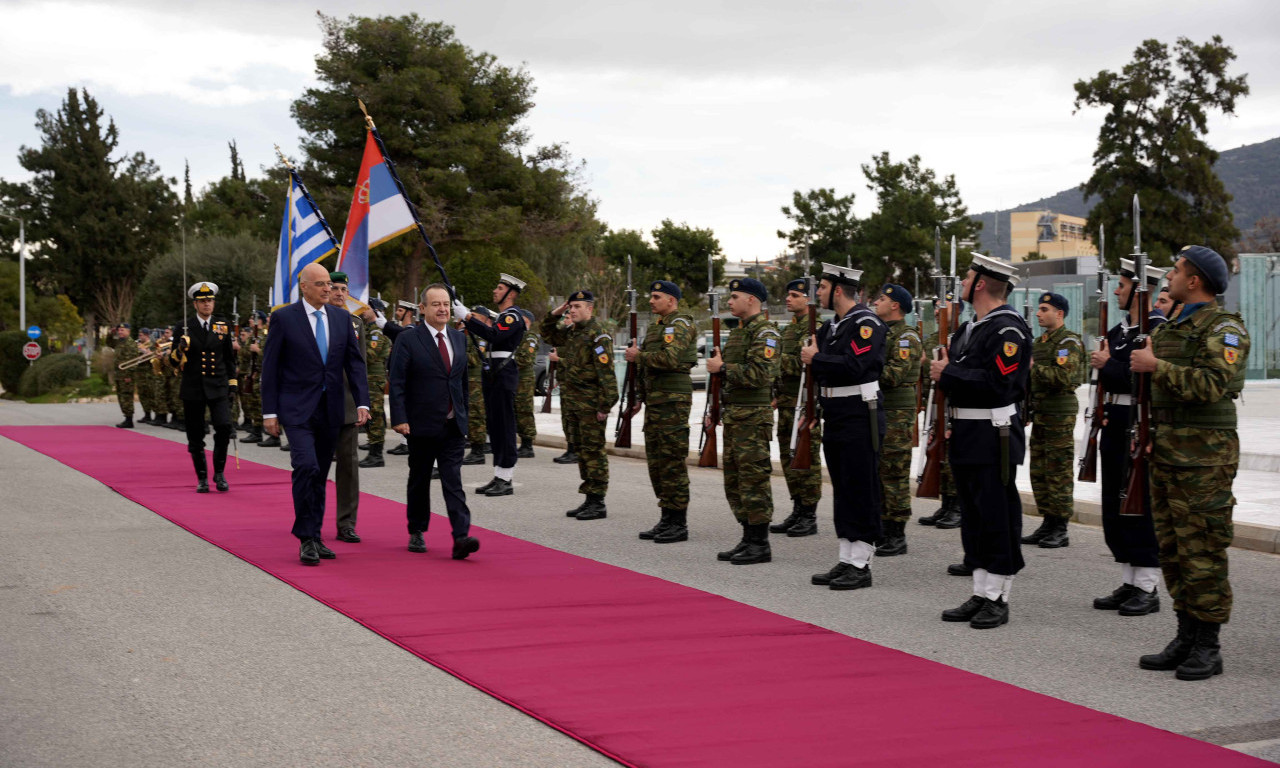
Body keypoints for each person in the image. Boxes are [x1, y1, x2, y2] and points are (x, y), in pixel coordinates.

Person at [1131, 245, 1249, 681]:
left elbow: (1214, 384)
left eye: (1177, 271)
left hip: (1205, 458)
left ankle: (1208, 644)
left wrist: (1156, 365)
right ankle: (1185, 634)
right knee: (1174, 549)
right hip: (1166, 450)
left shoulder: (1224, 329)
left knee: (1203, 549)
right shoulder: (1171, 326)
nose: (1170, 277)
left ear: (1195, 280)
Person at [930, 254, 1031, 629]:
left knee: (996, 516)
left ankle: (999, 596)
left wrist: (949, 372)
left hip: (994, 434)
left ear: (982, 284)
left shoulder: (1008, 329)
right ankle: (981, 590)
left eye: (968, 276)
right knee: (973, 516)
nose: (963, 282)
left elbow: (1001, 384)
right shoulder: (971, 328)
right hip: (969, 432)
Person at [260, 263, 370, 566]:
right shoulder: (284, 318)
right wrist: (269, 412)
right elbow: (270, 368)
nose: (328, 289)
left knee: (320, 474)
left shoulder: (341, 318)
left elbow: (354, 362)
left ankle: (316, 535)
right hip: (296, 409)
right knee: (306, 467)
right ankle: (306, 537)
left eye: (329, 284)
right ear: (304, 287)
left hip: (331, 407)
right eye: (321, 284)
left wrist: (363, 402)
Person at [1089, 259, 1168, 616]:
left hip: (1139, 419)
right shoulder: (1121, 331)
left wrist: (1109, 366)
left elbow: (1146, 379)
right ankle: (1129, 579)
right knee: (1114, 503)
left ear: (1139, 289)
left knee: (1139, 503)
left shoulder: (1157, 328)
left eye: (1121, 285)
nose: (1117, 291)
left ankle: (1148, 585)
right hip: (1115, 420)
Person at [800, 265, 885, 588]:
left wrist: (817, 359)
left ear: (838, 290)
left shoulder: (866, 323)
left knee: (861, 486)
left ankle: (861, 564)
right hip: (835, 410)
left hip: (860, 411)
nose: (817, 293)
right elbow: (823, 368)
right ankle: (846, 557)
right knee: (843, 486)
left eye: (821, 287)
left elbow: (856, 365)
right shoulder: (831, 326)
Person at [389, 284, 480, 560]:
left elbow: (461, 381)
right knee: (419, 479)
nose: (443, 309)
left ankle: (461, 536)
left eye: (446, 304)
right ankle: (416, 530)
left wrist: (464, 415)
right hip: (420, 424)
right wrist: (400, 418)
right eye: (436, 304)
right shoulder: (408, 339)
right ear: (423, 308)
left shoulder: (458, 338)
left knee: (453, 481)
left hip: (452, 425)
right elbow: (397, 381)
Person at [711, 277, 782, 565]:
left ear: (751, 299)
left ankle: (760, 543)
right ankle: (748, 536)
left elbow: (761, 374)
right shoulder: (739, 332)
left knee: (754, 480)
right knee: (735, 481)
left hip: (753, 417)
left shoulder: (766, 333)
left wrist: (724, 367)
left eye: (735, 296)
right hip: (735, 414)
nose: (729, 301)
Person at [628, 280, 697, 543]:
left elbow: (670, 359)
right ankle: (666, 517)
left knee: (672, 463)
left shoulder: (680, 324)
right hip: (656, 401)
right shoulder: (658, 327)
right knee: (657, 463)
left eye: (656, 297)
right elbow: (645, 366)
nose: (651, 301)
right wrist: (638, 397)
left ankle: (678, 522)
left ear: (671, 300)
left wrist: (639, 356)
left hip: (673, 401)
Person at [539, 290, 618, 519]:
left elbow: (605, 375)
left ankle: (598, 501)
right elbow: (547, 334)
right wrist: (556, 312)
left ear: (590, 309)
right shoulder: (571, 332)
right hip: (572, 403)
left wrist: (604, 406)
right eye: (570, 306)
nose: (572, 310)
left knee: (594, 453)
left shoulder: (598, 336)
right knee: (581, 451)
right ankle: (589, 497)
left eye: (577, 307)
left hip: (590, 404)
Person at [1021, 292, 1085, 548]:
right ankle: (1048, 521)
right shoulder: (1041, 342)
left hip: (1059, 414)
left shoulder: (1069, 342)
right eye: (1039, 309)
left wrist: (1032, 367)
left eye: (1044, 309)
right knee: (1040, 470)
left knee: (1058, 470)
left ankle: (1060, 526)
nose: (1038, 313)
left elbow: (1064, 378)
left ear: (1059, 313)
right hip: (1041, 413)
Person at [458, 274, 528, 495]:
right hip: (494, 374)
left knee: (505, 426)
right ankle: (498, 474)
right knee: (495, 426)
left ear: (511, 294)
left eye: (499, 288)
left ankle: (506, 478)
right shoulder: (503, 316)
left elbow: (495, 336)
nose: (494, 291)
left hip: (504, 374)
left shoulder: (513, 316)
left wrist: (468, 317)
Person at [169, 282, 238, 493]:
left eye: (210, 300)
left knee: (224, 427)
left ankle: (219, 473)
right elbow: (173, 362)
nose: (207, 304)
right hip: (194, 387)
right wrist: (180, 348)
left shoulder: (222, 325)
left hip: (217, 385)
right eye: (202, 301)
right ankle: (202, 477)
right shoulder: (184, 327)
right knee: (196, 435)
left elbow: (229, 358)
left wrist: (232, 383)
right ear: (195, 304)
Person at [771, 278, 823, 538]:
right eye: (788, 294)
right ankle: (797, 508)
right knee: (788, 457)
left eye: (794, 295)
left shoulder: (817, 328)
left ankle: (809, 514)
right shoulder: (789, 329)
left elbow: (810, 366)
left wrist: (775, 361)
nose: (788, 299)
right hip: (786, 401)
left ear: (807, 299)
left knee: (806, 459)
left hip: (804, 404)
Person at [873, 283, 923, 557]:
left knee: (894, 473)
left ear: (895, 306)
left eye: (881, 299)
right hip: (879, 410)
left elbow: (893, 375)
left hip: (896, 413)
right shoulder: (882, 333)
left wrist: (863, 370)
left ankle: (896, 533)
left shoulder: (906, 338)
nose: (876, 302)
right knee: (879, 472)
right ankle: (882, 526)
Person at [326, 272, 369, 543]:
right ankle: (309, 519)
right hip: (318, 404)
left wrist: (362, 402)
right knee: (313, 467)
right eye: (334, 288)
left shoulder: (355, 323)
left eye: (343, 289)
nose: (340, 293)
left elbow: (360, 366)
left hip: (346, 405)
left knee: (348, 467)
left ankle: (347, 523)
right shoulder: (314, 321)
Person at [918, 297, 963, 531]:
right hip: (934, 402)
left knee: (952, 454)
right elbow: (925, 373)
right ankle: (946, 504)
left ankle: (957, 507)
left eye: (942, 306)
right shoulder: (931, 340)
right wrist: (924, 399)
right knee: (938, 453)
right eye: (935, 307)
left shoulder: (962, 338)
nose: (937, 310)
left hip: (953, 401)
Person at [359, 303, 392, 469]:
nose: (363, 310)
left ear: (375, 311)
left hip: (374, 377)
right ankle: (373, 445)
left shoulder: (376, 331)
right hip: (367, 376)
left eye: (367, 308)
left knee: (375, 413)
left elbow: (370, 355)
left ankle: (376, 454)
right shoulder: (367, 329)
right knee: (370, 413)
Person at [384, 299, 418, 458]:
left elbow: (397, 332)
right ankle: (405, 442)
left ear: (408, 313)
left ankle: (407, 443)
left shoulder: (410, 330)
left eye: (400, 310)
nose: (397, 313)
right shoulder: (403, 330)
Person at [461, 317, 490, 464]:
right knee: (470, 416)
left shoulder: (480, 339)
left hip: (476, 383)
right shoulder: (467, 336)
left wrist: (457, 354)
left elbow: (475, 359)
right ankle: (474, 448)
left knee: (476, 416)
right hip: (467, 382)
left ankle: (478, 451)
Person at [514, 308, 541, 458]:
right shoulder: (516, 336)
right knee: (515, 410)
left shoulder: (530, 337)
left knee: (524, 410)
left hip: (524, 379)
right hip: (514, 378)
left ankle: (527, 445)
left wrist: (507, 362)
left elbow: (525, 358)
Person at [239, 310, 266, 444]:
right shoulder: (252, 336)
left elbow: (268, 356)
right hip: (252, 374)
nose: (250, 320)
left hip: (262, 373)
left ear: (260, 320)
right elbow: (244, 354)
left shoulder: (266, 335)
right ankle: (256, 431)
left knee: (260, 403)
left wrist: (258, 350)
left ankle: (265, 431)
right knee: (253, 403)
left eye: (253, 318)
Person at [113, 324, 140, 428]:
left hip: (126, 375)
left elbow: (132, 361)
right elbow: (109, 343)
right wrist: (110, 334)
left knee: (127, 396)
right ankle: (126, 417)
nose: (120, 332)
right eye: (119, 330)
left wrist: (128, 375)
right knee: (121, 396)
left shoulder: (130, 343)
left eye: (122, 330)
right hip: (119, 375)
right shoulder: (120, 342)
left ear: (128, 331)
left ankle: (129, 419)